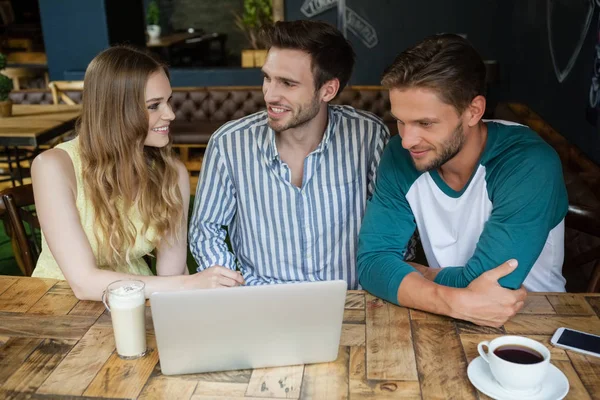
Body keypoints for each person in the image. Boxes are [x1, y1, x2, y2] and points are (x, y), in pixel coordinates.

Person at [357, 34, 568, 327]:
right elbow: (371, 264)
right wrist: (453, 301)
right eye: (400, 121)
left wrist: (407, 273)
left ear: (473, 111)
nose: (407, 140)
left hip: (535, 325)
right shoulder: (400, 155)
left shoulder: (527, 163)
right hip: (442, 320)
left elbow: (493, 284)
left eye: (425, 123)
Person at [189, 20, 399, 287]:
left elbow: (392, 227)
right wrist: (231, 286)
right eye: (267, 78)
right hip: (262, 304)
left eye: (288, 83)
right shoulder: (229, 143)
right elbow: (206, 228)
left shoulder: (368, 137)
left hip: (351, 303)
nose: (270, 95)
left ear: (328, 89)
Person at [31, 46, 244, 301]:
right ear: (116, 111)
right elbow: (83, 283)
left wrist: (189, 287)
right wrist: (190, 284)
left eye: (168, 101)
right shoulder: (53, 166)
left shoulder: (172, 173)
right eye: (154, 106)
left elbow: (171, 274)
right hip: (59, 303)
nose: (171, 114)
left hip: (139, 301)